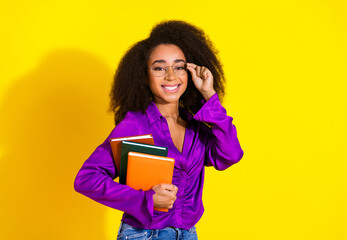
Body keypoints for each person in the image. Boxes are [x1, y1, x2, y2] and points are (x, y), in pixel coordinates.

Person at [74, 20, 244, 240]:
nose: (171, 76)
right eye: (159, 68)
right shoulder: (135, 126)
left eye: (179, 67)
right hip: (144, 234)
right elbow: (87, 178)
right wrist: (145, 200)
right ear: (144, 76)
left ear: (190, 72)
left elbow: (230, 156)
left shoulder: (194, 127)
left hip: (188, 234)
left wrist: (210, 97)